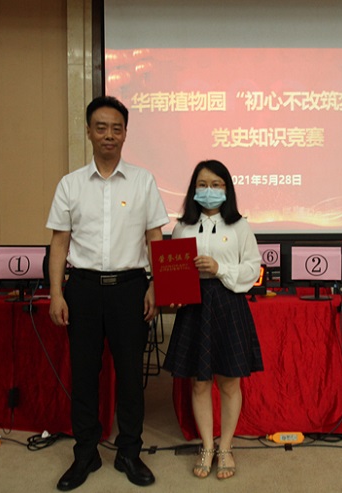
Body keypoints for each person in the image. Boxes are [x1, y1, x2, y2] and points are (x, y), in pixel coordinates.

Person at [46, 95, 169, 491]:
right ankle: (86, 453)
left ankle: (129, 452)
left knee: (131, 376)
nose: (109, 135)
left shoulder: (143, 181)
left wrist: (157, 284)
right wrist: (56, 293)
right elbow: (59, 243)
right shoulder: (70, 184)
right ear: (88, 132)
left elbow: (155, 237)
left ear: (125, 133)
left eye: (117, 128)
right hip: (82, 290)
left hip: (130, 289)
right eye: (101, 127)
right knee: (84, 375)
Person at [163, 159, 263, 480]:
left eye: (216, 185)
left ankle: (226, 446)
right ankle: (207, 446)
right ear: (194, 189)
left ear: (227, 189)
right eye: (203, 184)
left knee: (229, 381)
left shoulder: (239, 226)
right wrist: (173, 290)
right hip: (194, 306)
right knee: (199, 382)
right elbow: (173, 271)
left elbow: (252, 268)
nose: (209, 190)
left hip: (228, 303)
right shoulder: (182, 227)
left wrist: (221, 269)